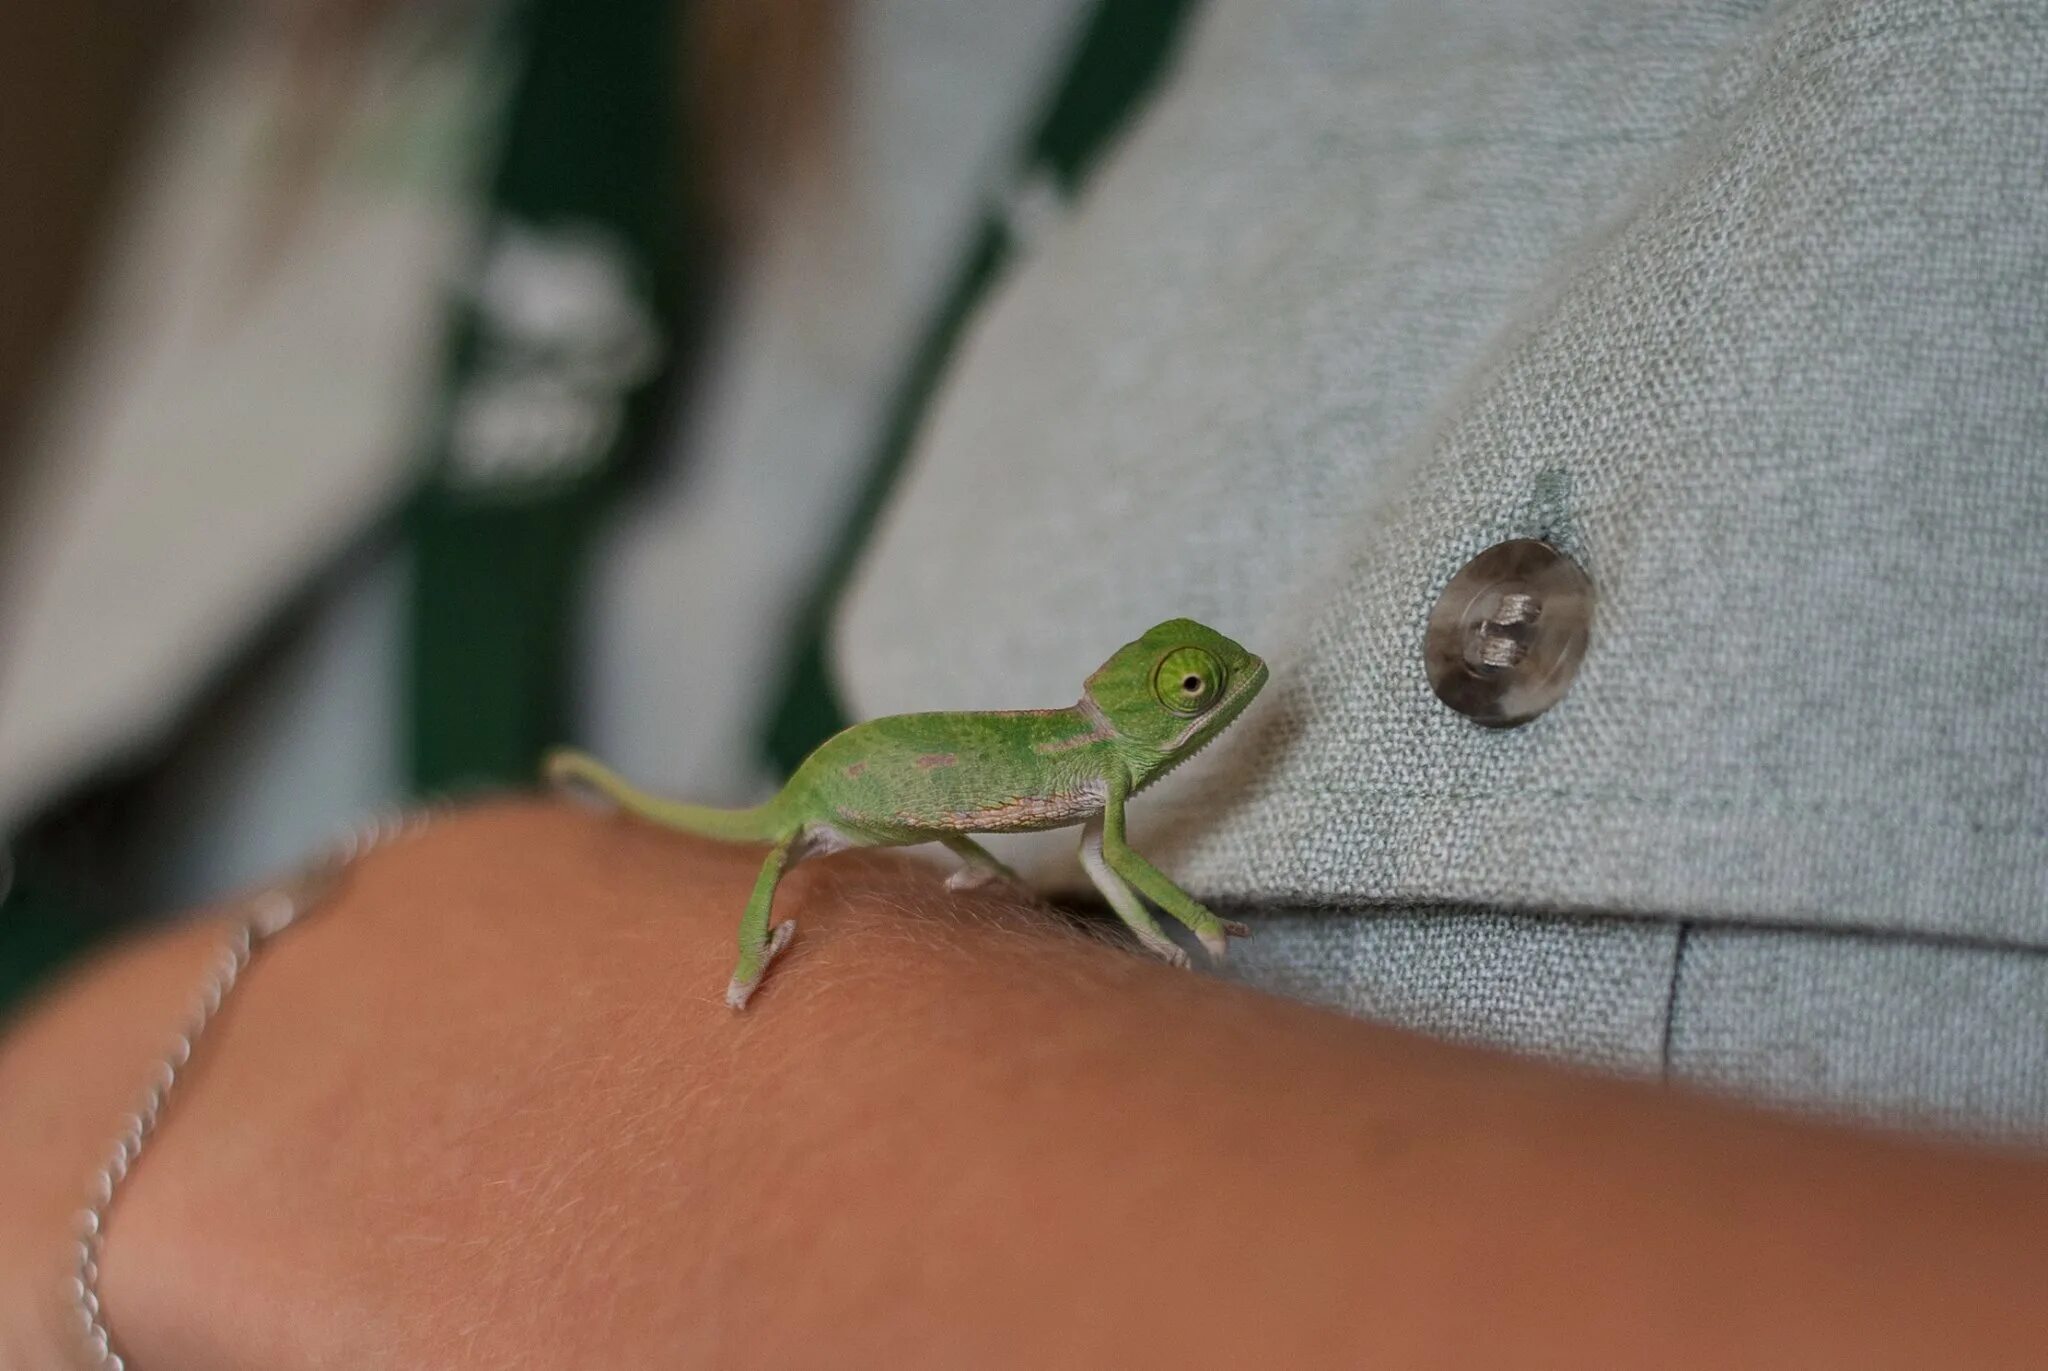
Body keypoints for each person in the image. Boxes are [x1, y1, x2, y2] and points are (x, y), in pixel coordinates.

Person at [5, 0, 2048, 1364]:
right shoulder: (357, 65)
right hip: (843, 805)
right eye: (1181, 710)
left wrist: (375, 1070)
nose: (1211, 721)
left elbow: (1137, 865)